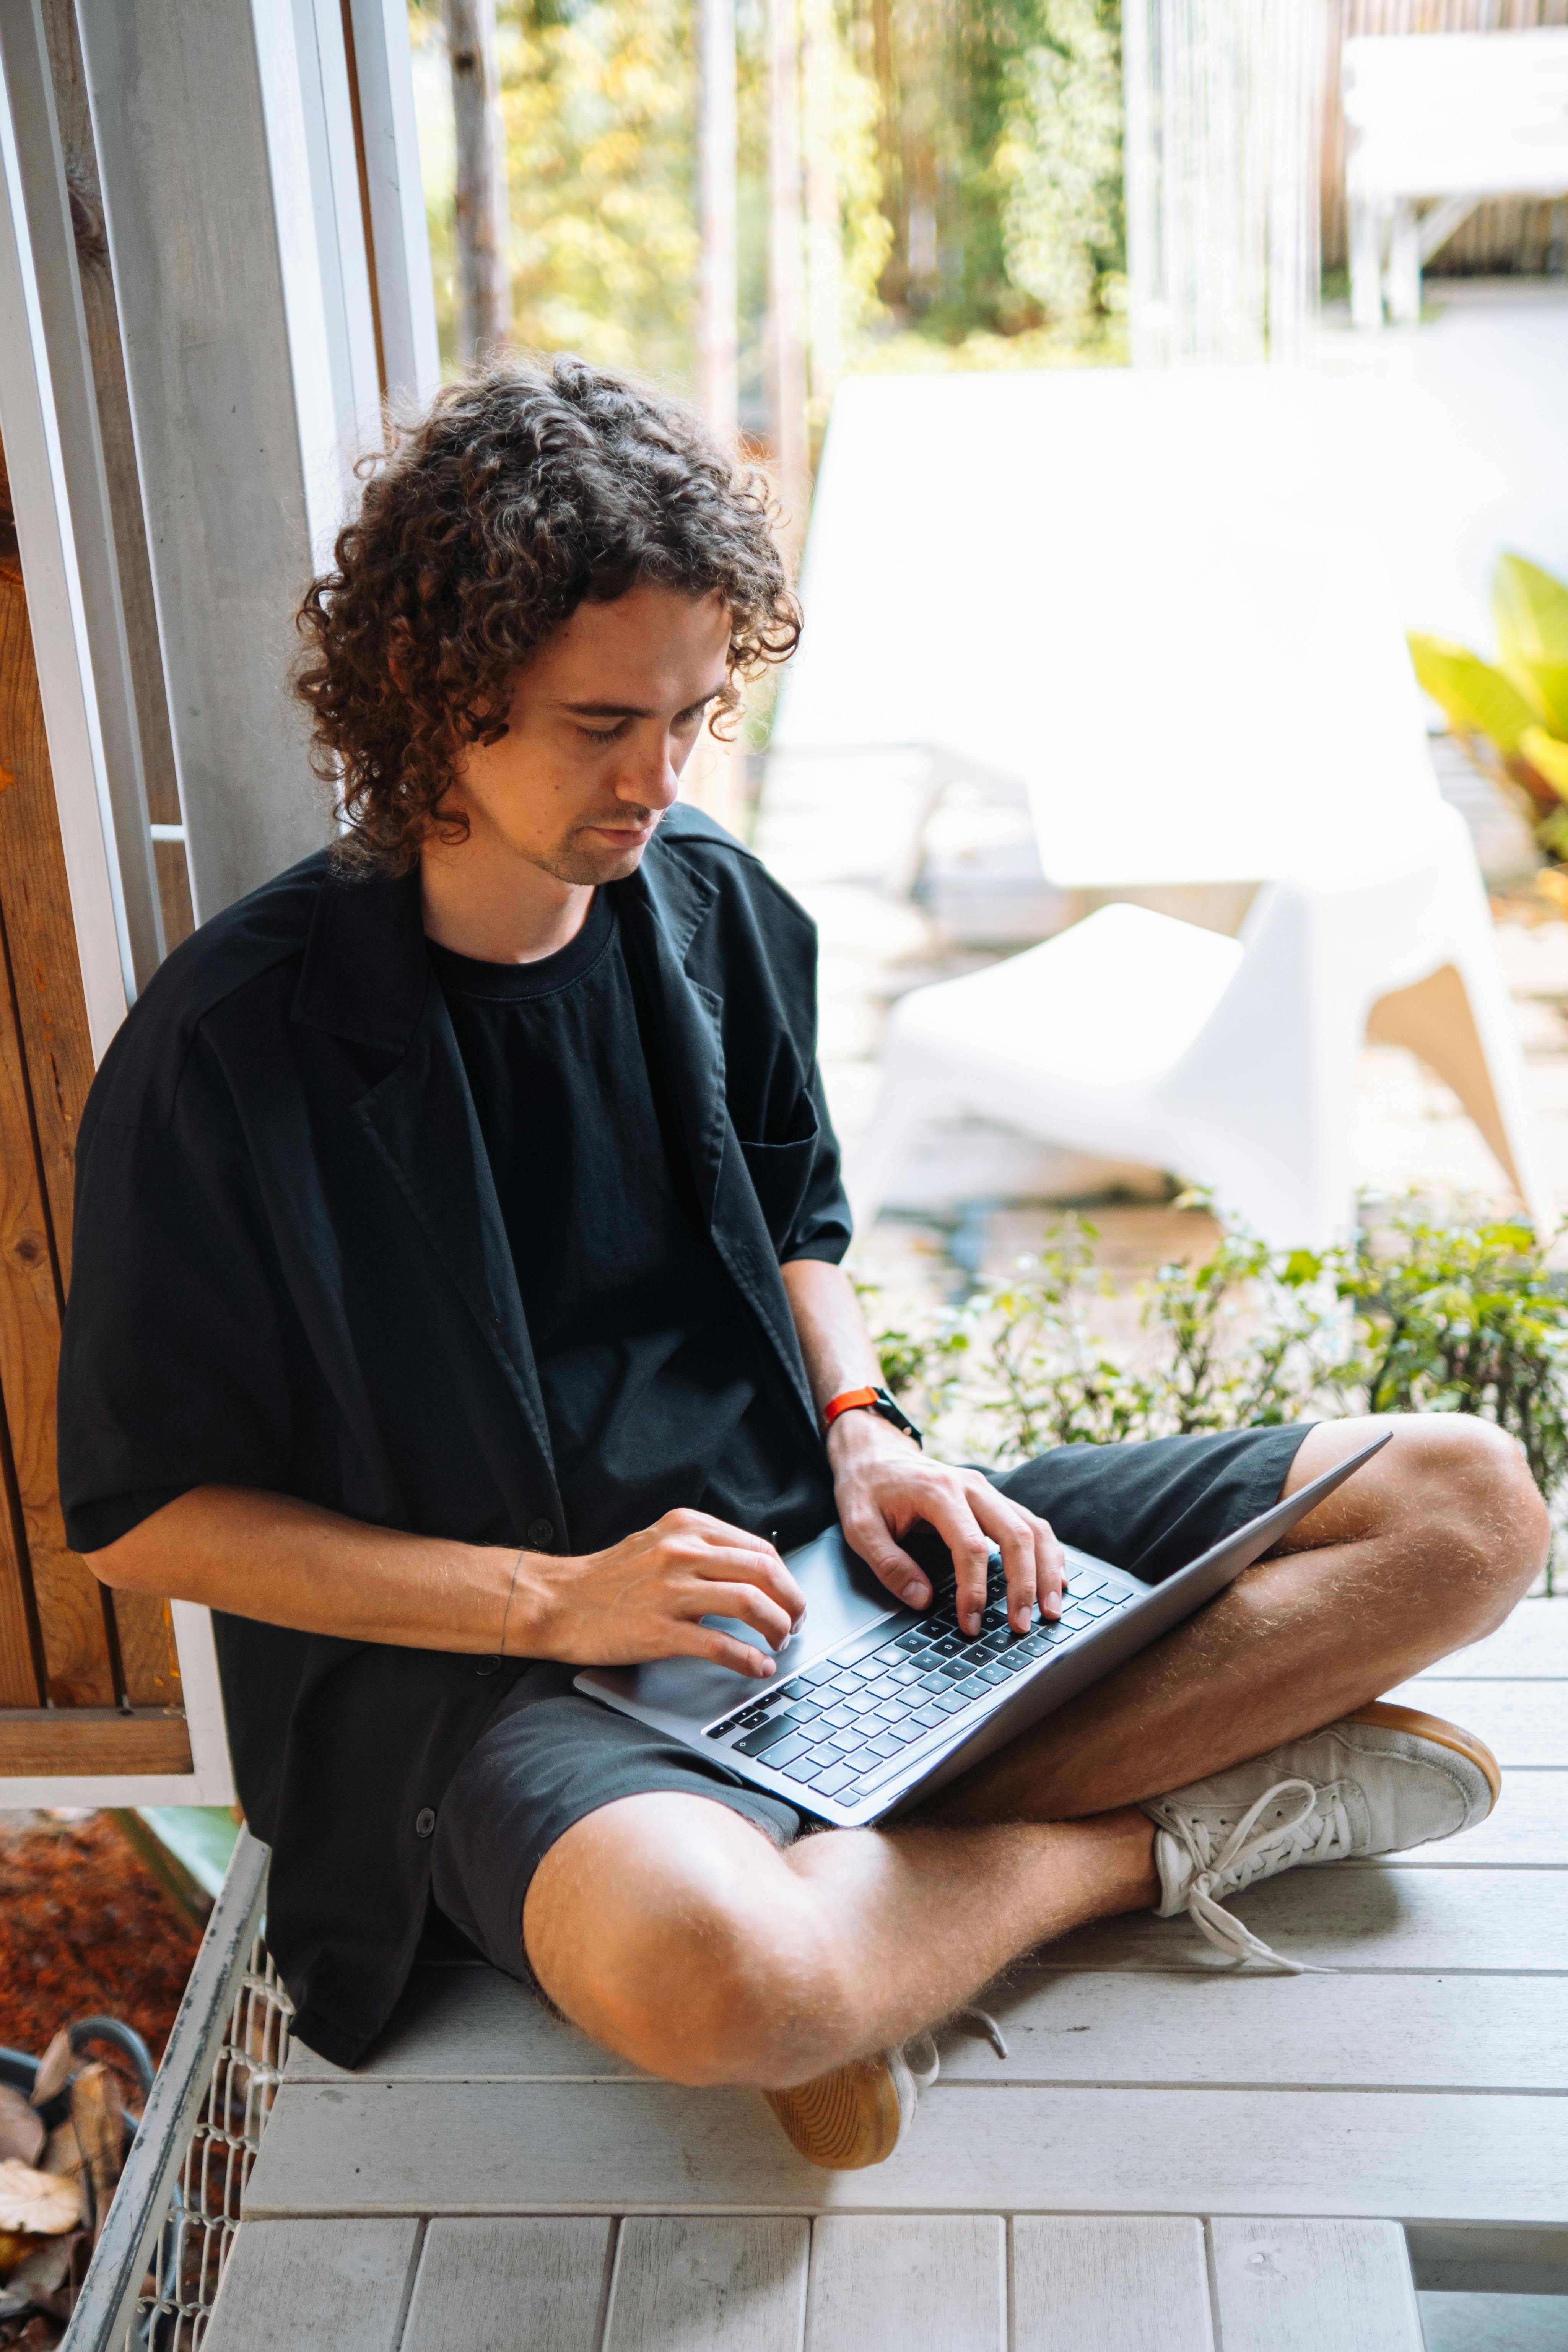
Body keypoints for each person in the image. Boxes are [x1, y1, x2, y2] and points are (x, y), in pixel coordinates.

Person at [61, 358, 1544, 2172]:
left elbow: (795, 1224)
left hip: (812, 1555)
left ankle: (863, 1879)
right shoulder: (235, 1043)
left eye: (693, 714)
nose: (656, 778)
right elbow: (140, 1517)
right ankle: (1132, 1840)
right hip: (504, 1668)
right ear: (435, 695)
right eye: (602, 720)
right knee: (720, 1979)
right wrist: (551, 1600)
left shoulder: (712, 903)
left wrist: (865, 1428)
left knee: (1465, 1506)